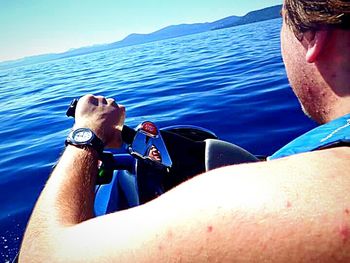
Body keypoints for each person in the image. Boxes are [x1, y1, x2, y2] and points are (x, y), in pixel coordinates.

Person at [19, 0, 350, 262]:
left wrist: (87, 132)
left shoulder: (287, 197)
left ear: (314, 38)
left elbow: (43, 254)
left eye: (282, 21)